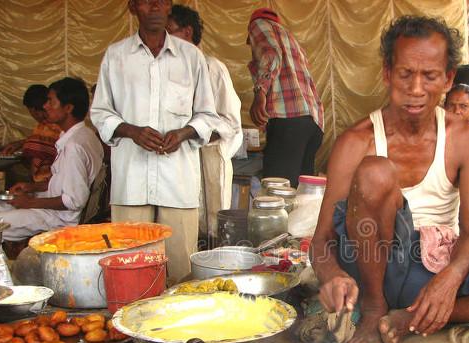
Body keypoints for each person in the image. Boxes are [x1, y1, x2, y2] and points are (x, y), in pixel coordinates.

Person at [310, 15, 469, 343]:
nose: (416, 89)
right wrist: (331, 275)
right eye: (406, 74)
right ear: (387, 73)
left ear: (449, 78)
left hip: (435, 266)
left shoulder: (467, 138)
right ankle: (376, 310)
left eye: (430, 76)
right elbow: (321, 240)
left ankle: (409, 319)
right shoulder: (355, 141)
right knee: (376, 173)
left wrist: (448, 281)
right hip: (370, 271)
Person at [90, 0, 229, 284]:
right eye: (146, 1)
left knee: (180, 270)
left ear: (169, 8)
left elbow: (207, 115)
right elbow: (100, 113)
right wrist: (131, 130)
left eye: (162, 1)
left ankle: (177, 327)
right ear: (132, 8)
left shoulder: (191, 57)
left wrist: (183, 133)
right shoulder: (116, 56)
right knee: (130, 266)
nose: (154, 6)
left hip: (177, 183)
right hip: (131, 182)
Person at [166, 4, 242, 242]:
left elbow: (230, 122)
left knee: (211, 231)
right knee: (181, 232)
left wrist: (191, 134)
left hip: (208, 160)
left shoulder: (212, 68)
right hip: (176, 164)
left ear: (187, 33)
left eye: (168, 32)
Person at [0, 78, 103, 242]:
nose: (45, 106)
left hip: (60, 219)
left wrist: (30, 202)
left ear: (68, 108)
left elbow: (73, 201)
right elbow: (65, 181)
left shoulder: (74, 146)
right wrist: (32, 186)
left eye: (51, 102)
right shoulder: (83, 135)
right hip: (50, 208)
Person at [247, 8, 324, 186]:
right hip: (313, 124)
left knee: (276, 193)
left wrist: (260, 93)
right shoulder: (291, 40)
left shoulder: (259, 25)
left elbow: (271, 55)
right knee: (299, 195)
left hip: (289, 119)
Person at [0, 85, 62, 183]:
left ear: (34, 110)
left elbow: (37, 145)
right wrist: (21, 143)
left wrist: (24, 145)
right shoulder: (54, 123)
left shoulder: (49, 125)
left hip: (48, 184)